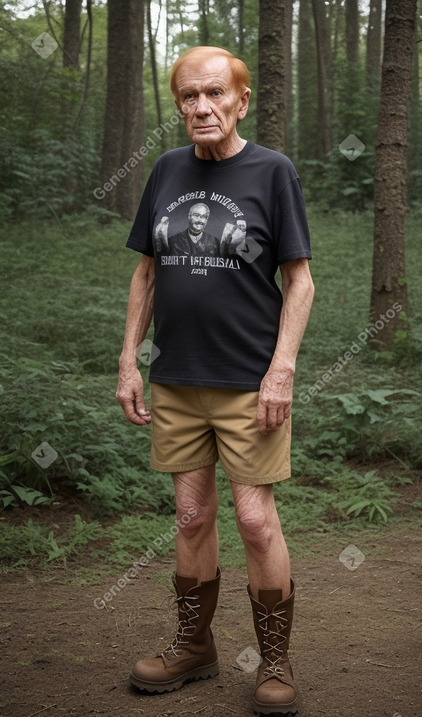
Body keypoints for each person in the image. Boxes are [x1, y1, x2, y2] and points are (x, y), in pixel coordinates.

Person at [116, 45, 314, 716]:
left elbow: (300, 280)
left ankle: (276, 660)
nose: (200, 106)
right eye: (188, 97)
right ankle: (193, 645)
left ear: (241, 100)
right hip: (176, 377)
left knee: (256, 520)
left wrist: (282, 367)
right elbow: (145, 272)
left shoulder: (271, 172)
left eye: (214, 94)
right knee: (192, 515)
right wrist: (127, 361)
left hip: (248, 381)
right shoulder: (168, 170)